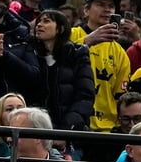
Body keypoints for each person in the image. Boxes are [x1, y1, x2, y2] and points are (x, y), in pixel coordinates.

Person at [70, 0, 131, 133]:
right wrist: (87, 41)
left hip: (106, 129)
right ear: (86, 10)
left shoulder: (119, 52)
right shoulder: (71, 35)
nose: (107, 9)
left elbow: (120, 95)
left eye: (111, 6)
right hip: (73, 125)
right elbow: (56, 62)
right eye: (100, 4)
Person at [29, 9, 95, 138]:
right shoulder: (31, 54)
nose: (39, 25)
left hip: (70, 133)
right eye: (38, 22)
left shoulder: (77, 54)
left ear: (60, 29)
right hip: (37, 132)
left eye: (46, 21)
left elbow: (85, 96)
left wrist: (65, 131)